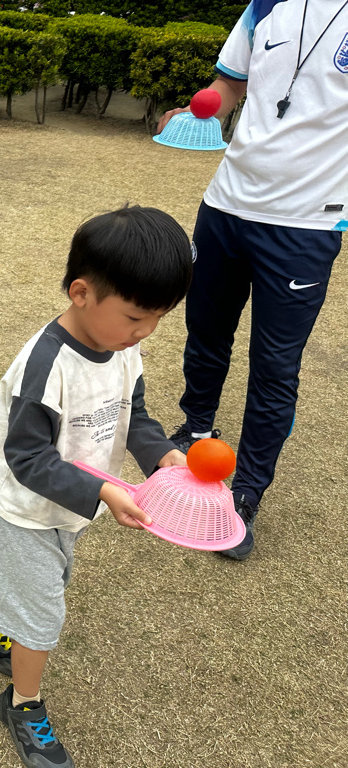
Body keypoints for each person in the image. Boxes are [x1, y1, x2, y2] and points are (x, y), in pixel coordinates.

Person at [0, 206, 192, 768]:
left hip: (71, 504)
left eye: (158, 318)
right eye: (136, 317)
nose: (145, 332)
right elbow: (26, 456)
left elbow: (134, 414)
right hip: (27, 508)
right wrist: (103, 492)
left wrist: (163, 457)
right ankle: (23, 702)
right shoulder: (46, 364)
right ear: (81, 293)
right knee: (42, 615)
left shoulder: (123, 347)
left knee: (23, 580)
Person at [156, 0, 348, 560]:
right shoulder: (265, 6)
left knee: (274, 366)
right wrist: (199, 113)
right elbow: (230, 85)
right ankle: (195, 428)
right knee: (205, 330)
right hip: (226, 204)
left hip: (306, 223)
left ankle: (246, 492)